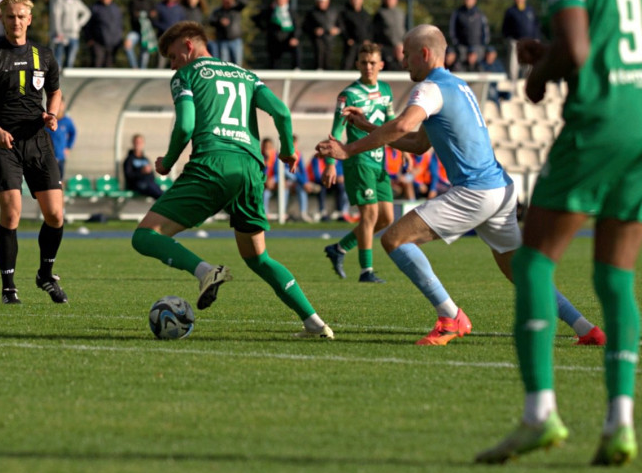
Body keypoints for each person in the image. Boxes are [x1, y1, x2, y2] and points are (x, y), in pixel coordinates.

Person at [477, 0, 642, 466]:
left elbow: (575, 49)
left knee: (535, 263)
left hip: (598, 123)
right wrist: (556, 53)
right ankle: (620, 423)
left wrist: (539, 76)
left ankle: (538, 414)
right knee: (617, 275)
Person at [316, 24, 604, 348]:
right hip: (501, 190)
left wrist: (347, 149)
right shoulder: (458, 85)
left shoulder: (428, 88)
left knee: (395, 239)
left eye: (407, 56)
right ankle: (587, 329)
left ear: (424, 54)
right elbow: (418, 142)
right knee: (520, 271)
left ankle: (450, 317)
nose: (404, 63)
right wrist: (368, 126)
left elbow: (403, 125)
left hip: (476, 190)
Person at [131, 21, 334, 339]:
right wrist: (289, 151)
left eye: (172, 57)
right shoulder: (246, 75)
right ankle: (315, 323)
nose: (171, 65)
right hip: (252, 170)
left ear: (188, 45)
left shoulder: (186, 75)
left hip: (213, 164)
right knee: (258, 258)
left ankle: (205, 272)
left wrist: (167, 162)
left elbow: (185, 127)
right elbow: (281, 111)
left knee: (144, 236)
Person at [0, 0, 67, 305]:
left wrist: (52, 114)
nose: (16, 21)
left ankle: (45, 274)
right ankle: (9, 287)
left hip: (38, 141)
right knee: (11, 215)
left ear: (29, 19)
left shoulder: (44, 56)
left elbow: (56, 91)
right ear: (2, 19)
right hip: (4, 142)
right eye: (11, 17)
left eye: (22, 16)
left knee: (56, 215)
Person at [322, 42, 395, 284]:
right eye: (364, 62)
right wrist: (331, 163)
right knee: (370, 215)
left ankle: (340, 248)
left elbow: (391, 122)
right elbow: (336, 129)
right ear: (357, 65)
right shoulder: (348, 95)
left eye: (373, 62)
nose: (368, 67)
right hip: (359, 159)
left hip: (379, 160)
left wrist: (400, 147)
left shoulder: (386, 90)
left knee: (386, 218)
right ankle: (366, 271)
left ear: (381, 65)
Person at [50, 0, 92, 69]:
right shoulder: (59, 0)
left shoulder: (77, 2)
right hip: (61, 35)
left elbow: (87, 13)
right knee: (58, 61)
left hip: (73, 35)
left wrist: (79, 24)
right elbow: (56, 17)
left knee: (70, 62)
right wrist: (58, 32)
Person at [501, 0, 540, 79]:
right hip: (516, 42)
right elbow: (505, 27)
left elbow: (536, 25)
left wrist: (536, 39)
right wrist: (509, 38)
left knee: (529, 67)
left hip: (530, 42)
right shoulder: (511, 11)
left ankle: (526, 86)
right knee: (513, 66)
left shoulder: (530, 10)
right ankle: (512, 87)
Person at [260, 0, 302, 69]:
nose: (280, 2)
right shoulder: (271, 11)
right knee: (274, 61)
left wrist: (295, 37)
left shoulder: (291, 12)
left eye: (282, 0)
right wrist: (264, 29)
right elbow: (258, 19)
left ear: (286, 0)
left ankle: (296, 68)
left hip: (288, 39)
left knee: (296, 48)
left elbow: (297, 26)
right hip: (275, 40)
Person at [449, 0, 490, 69]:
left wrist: (483, 44)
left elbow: (485, 30)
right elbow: (452, 30)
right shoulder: (458, 13)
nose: (468, 1)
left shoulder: (480, 13)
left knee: (480, 68)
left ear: (475, 0)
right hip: (462, 48)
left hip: (478, 47)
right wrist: (457, 44)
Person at [85, 0, 123, 68]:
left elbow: (119, 25)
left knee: (108, 67)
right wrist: (89, 39)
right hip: (97, 43)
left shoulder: (116, 9)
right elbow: (87, 25)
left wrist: (119, 40)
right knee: (97, 64)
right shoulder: (95, 8)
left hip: (112, 45)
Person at [125, 0, 158, 69]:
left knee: (144, 55)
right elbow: (134, 15)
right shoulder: (134, 0)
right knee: (127, 44)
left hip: (147, 34)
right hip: (136, 31)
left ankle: (142, 72)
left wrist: (141, 14)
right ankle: (134, 67)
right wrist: (148, 14)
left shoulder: (153, 2)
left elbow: (154, 17)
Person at [303, 0, 339, 70]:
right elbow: (305, 26)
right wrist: (314, 30)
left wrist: (336, 30)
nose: (321, 4)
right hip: (317, 39)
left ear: (328, 1)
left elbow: (340, 25)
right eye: (319, 2)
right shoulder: (311, 12)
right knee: (319, 55)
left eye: (323, 2)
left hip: (330, 40)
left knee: (329, 59)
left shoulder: (334, 11)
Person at [338, 0, 373, 70]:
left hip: (364, 45)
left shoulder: (366, 14)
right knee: (346, 65)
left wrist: (368, 40)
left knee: (364, 65)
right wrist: (347, 39)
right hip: (351, 45)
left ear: (362, 0)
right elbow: (342, 28)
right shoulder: (345, 13)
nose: (355, 1)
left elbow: (371, 29)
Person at [209, 0, 246, 65]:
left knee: (237, 65)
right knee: (223, 65)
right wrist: (219, 22)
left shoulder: (236, 9)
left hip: (235, 40)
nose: (228, 1)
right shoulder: (218, 11)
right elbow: (211, 21)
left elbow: (245, 2)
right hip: (222, 41)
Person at [373, 0, 407, 70]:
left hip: (400, 46)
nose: (390, 1)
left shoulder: (401, 12)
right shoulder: (380, 13)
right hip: (386, 46)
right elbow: (375, 30)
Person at [123, 133, 163, 199]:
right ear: (133, 143)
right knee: (154, 190)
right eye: (136, 142)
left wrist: (148, 172)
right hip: (136, 185)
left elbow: (152, 175)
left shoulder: (145, 159)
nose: (138, 144)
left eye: (140, 142)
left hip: (149, 183)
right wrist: (141, 171)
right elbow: (128, 176)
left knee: (158, 189)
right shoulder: (129, 160)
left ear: (143, 144)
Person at [47, 98, 76, 182]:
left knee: (60, 180)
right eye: (57, 104)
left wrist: (68, 147)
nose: (59, 107)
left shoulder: (67, 121)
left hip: (60, 156)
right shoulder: (47, 120)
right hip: (47, 156)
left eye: (61, 104)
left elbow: (73, 134)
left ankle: (60, 194)